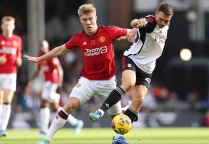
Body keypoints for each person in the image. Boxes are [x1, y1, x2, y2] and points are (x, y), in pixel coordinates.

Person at [24, 3, 134, 144]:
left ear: (96, 17)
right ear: (80, 21)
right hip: (87, 81)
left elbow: (132, 32)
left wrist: (141, 27)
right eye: (84, 20)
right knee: (69, 105)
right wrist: (40, 58)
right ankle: (46, 139)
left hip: (108, 83)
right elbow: (60, 49)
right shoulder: (78, 38)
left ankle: (119, 139)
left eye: (90, 19)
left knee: (116, 117)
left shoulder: (109, 31)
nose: (88, 22)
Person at [89, 1, 173, 137]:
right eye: (161, 19)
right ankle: (101, 110)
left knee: (139, 100)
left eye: (166, 20)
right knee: (128, 84)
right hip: (132, 59)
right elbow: (136, 22)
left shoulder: (165, 24)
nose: (162, 23)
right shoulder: (149, 22)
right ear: (156, 14)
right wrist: (136, 23)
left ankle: (118, 137)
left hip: (147, 68)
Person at [28, 40, 83, 136]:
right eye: (41, 46)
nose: (42, 48)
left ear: (47, 47)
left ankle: (43, 130)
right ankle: (76, 123)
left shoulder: (50, 55)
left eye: (44, 46)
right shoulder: (39, 56)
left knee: (43, 104)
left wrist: (59, 85)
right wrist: (31, 80)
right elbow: (39, 71)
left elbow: (59, 70)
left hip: (53, 83)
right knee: (55, 108)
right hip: (47, 83)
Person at [0, 16, 22, 137]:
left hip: (10, 73)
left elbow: (18, 55)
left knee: (7, 101)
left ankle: (3, 129)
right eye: (6, 25)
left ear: (13, 27)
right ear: (2, 26)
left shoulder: (17, 40)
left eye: (10, 25)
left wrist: (19, 60)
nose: (8, 27)